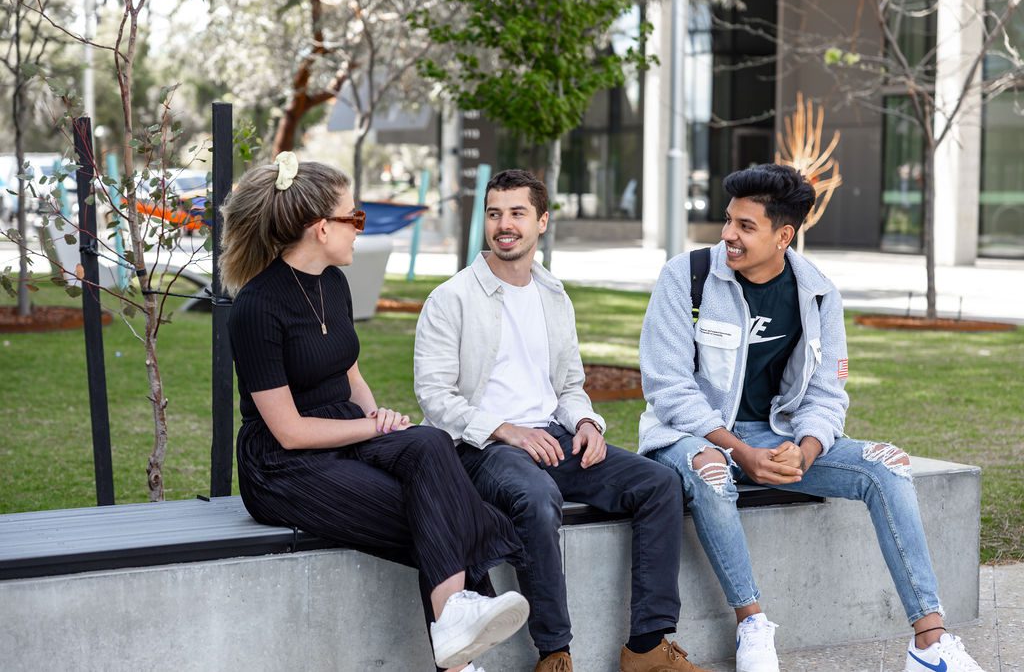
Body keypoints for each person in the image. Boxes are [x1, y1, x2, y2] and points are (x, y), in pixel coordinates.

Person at [638, 163, 986, 672]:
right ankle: (752, 624)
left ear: (783, 236)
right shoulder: (686, 277)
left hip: (777, 438)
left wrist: (805, 450)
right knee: (712, 470)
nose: (729, 235)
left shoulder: (818, 293)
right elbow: (668, 388)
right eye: (728, 220)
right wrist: (741, 452)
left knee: (889, 465)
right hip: (693, 436)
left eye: (745, 226)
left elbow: (826, 394)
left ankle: (929, 641)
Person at [221, 153, 528, 672]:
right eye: (354, 218)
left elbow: (352, 374)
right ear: (321, 229)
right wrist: (370, 427)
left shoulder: (334, 284)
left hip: (344, 431)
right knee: (432, 511)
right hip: (281, 466)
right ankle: (457, 648)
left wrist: (379, 416)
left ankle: (454, 629)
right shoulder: (256, 308)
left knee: (429, 442)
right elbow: (289, 432)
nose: (360, 228)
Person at [413, 168, 710, 672]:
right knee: (536, 497)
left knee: (660, 483)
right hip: (481, 447)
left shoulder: (553, 295)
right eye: (494, 214)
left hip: (553, 437)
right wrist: (506, 430)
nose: (503, 225)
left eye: (516, 214)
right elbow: (435, 397)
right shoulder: (452, 298)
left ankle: (647, 647)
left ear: (541, 221)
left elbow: (569, 386)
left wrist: (588, 424)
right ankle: (555, 651)